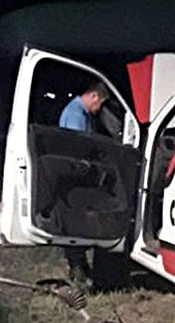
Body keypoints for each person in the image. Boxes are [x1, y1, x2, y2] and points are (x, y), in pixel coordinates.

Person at [58, 82, 110, 288]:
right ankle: (77, 268)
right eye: (101, 104)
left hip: (74, 175)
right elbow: (78, 146)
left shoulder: (79, 112)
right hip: (75, 176)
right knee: (76, 223)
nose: (100, 110)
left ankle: (78, 265)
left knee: (76, 222)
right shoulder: (76, 114)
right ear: (94, 96)